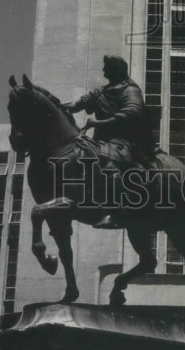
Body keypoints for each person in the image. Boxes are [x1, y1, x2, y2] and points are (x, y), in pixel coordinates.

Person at [63, 55, 155, 228]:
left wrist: (98, 123)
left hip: (125, 141)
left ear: (117, 69)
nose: (104, 71)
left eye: (107, 68)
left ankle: (114, 211)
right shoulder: (101, 91)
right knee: (79, 154)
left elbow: (131, 113)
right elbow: (77, 105)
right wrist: (55, 105)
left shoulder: (130, 90)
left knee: (110, 164)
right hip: (102, 141)